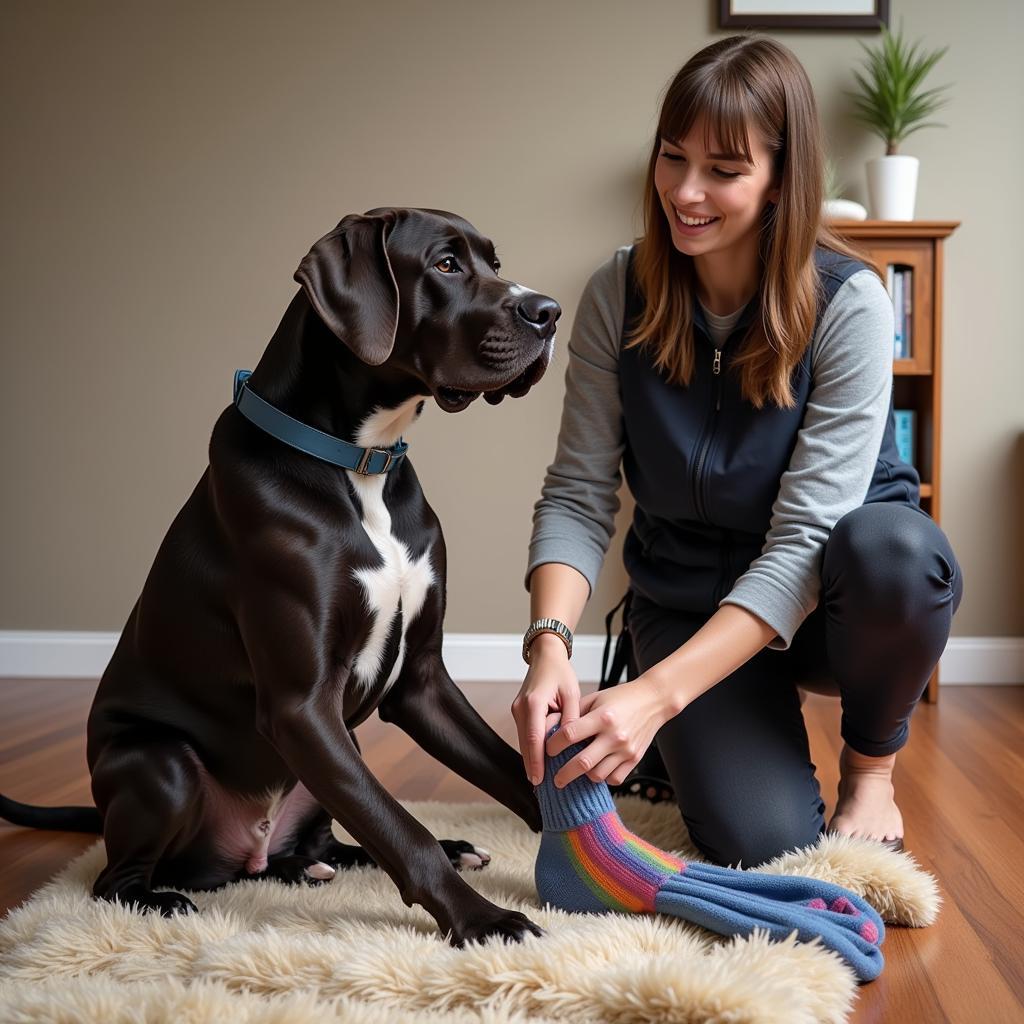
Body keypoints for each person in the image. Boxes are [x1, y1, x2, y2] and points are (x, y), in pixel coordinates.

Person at [511, 34, 962, 868]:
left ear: (782, 179)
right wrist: (548, 645)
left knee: (897, 551)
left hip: (837, 597)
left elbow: (801, 543)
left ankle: (870, 771)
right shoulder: (618, 293)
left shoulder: (849, 304)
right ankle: (705, 741)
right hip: (686, 598)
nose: (686, 191)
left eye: (723, 169)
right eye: (672, 158)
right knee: (765, 844)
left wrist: (652, 697)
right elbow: (578, 494)